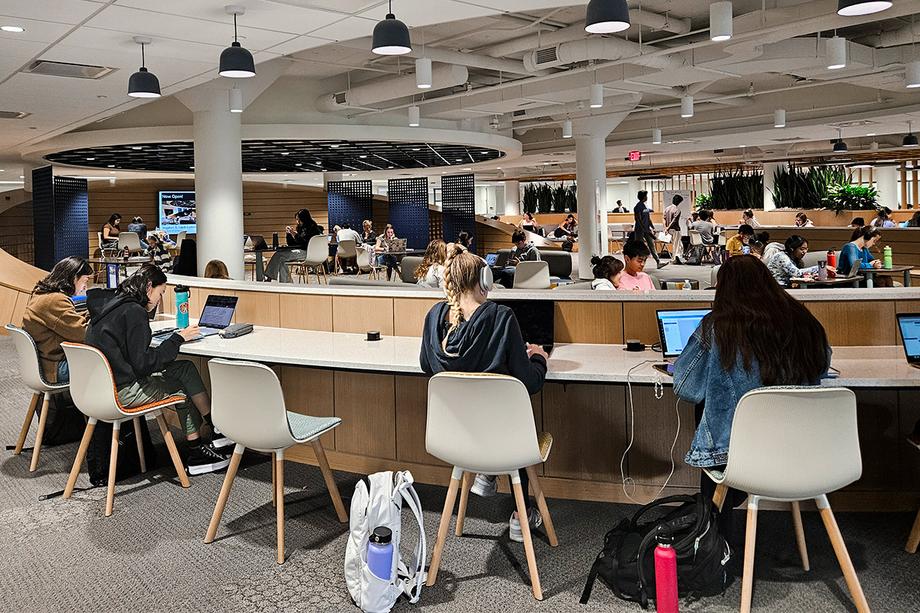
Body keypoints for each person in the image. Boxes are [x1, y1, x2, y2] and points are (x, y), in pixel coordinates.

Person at [673, 255, 830, 534]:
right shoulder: (805, 321)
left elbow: (686, 388)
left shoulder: (716, 328)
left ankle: (715, 535)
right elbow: (822, 366)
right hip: (806, 451)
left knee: (709, 406)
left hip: (738, 457)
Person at [419, 243, 549, 542]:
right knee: (512, 415)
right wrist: (540, 358)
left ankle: (485, 473)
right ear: (485, 281)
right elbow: (529, 382)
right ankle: (520, 514)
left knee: (494, 408)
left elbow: (427, 365)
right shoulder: (501, 317)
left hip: (456, 440)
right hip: (501, 441)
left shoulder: (434, 317)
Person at [85, 264, 232, 475]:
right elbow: (144, 364)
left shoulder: (112, 305)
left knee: (185, 368)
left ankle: (215, 426)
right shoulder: (135, 312)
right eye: (161, 293)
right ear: (148, 287)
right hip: (122, 391)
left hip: (100, 387)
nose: (160, 300)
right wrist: (177, 338)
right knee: (181, 389)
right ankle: (196, 452)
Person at [21, 257, 92, 384]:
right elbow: (84, 334)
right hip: (55, 368)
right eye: (85, 280)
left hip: (44, 362)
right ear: (74, 278)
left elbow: (64, 321)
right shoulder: (55, 300)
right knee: (109, 363)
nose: (85, 287)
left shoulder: (42, 294)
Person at [264, 209, 323, 283]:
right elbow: (293, 244)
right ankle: (286, 282)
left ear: (304, 218)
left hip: (309, 252)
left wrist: (295, 234)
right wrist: (289, 234)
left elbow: (305, 244)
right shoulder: (301, 228)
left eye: (298, 219)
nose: (297, 222)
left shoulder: (312, 228)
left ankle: (269, 277)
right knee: (281, 259)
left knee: (279, 254)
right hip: (302, 251)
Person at [766, 235, 833, 287]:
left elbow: (797, 276)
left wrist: (812, 275)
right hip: (776, 288)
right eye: (802, 249)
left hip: (786, 287)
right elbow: (796, 273)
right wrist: (821, 267)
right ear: (792, 248)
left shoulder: (795, 259)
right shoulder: (781, 256)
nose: (804, 252)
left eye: (806, 249)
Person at [633, 191, 665, 268]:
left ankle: (658, 261)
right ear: (643, 197)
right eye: (646, 196)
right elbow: (638, 219)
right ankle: (637, 263)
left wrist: (652, 226)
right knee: (640, 247)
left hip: (646, 229)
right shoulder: (637, 207)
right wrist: (644, 229)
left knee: (651, 245)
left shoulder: (645, 207)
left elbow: (648, 218)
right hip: (640, 230)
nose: (647, 197)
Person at [664, 195, 683, 262]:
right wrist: (668, 227)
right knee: (677, 244)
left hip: (669, 230)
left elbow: (664, 219)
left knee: (675, 244)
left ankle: (675, 257)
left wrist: (666, 228)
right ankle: (675, 258)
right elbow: (674, 221)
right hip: (676, 229)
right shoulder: (677, 210)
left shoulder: (667, 209)